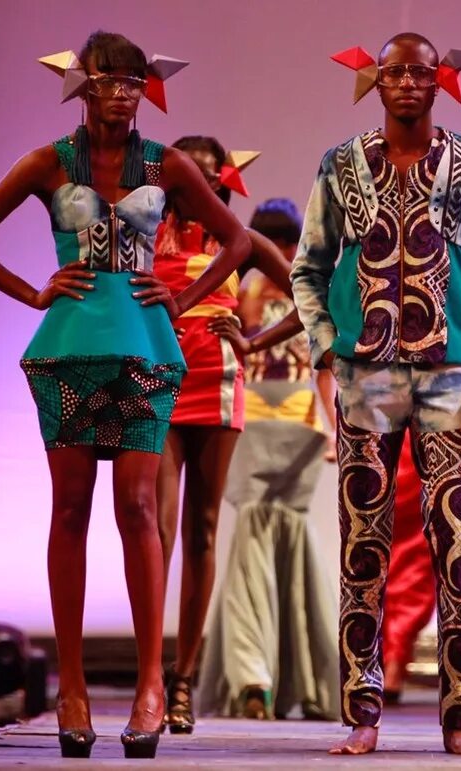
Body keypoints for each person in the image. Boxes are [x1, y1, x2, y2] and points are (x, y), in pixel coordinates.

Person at [0, 31, 250, 759]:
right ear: (83, 85)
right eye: (108, 81)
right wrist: (32, 291)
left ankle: (150, 686)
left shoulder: (165, 163)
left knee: (139, 508)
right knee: (71, 509)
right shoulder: (50, 162)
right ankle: (73, 689)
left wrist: (183, 299)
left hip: (145, 348)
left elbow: (238, 241)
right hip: (70, 349)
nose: (121, 94)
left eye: (133, 82)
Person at [290, 32, 461, 755]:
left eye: (422, 72)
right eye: (396, 73)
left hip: (450, 371)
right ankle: (363, 710)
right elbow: (307, 267)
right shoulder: (341, 165)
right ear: (376, 81)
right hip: (366, 374)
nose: (409, 83)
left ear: (440, 79)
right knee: (363, 539)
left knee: (459, 540)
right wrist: (328, 348)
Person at [153, 140, 294, 734]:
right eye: (185, 172)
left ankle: (182, 679)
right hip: (156, 381)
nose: (195, 182)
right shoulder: (144, 230)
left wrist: (254, 342)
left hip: (215, 383)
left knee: (202, 530)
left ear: (222, 180)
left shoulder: (240, 240)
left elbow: (313, 298)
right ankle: (149, 677)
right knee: (156, 527)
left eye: (207, 174)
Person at [196, 198, 340, 722]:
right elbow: (316, 368)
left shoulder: (260, 288)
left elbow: (324, 368)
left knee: (266, 537)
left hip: (280, 418)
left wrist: (334, 428)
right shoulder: (265, 289)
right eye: (273, 238)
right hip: (271, 417)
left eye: (282, 239)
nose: (279, 247)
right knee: (271, 534)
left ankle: (257, 674)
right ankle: (275, 674)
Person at [381, 436, 433, 704]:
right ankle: (390, 664)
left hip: (416, 438)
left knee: (409, 555)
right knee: (403, 556)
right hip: (387, 435)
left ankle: (391, 663)